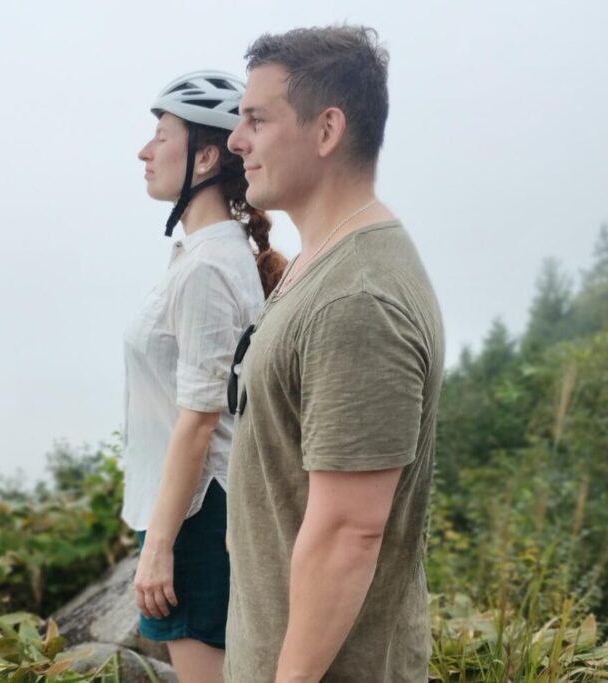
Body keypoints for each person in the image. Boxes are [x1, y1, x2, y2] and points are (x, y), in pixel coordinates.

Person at [224, 27, 445, 682]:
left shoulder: (357, 300)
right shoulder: (318, 268)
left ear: (326, 131)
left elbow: (351, 534)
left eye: (256, 120)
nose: (237, 141)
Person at [122, 70, 286, 682]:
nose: (145, 151)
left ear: (207, 155)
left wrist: (160, 547)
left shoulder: (209, 268)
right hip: (195, 508)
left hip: (198, 514)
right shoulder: (207, 257)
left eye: (161, 134)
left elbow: (199, 420)